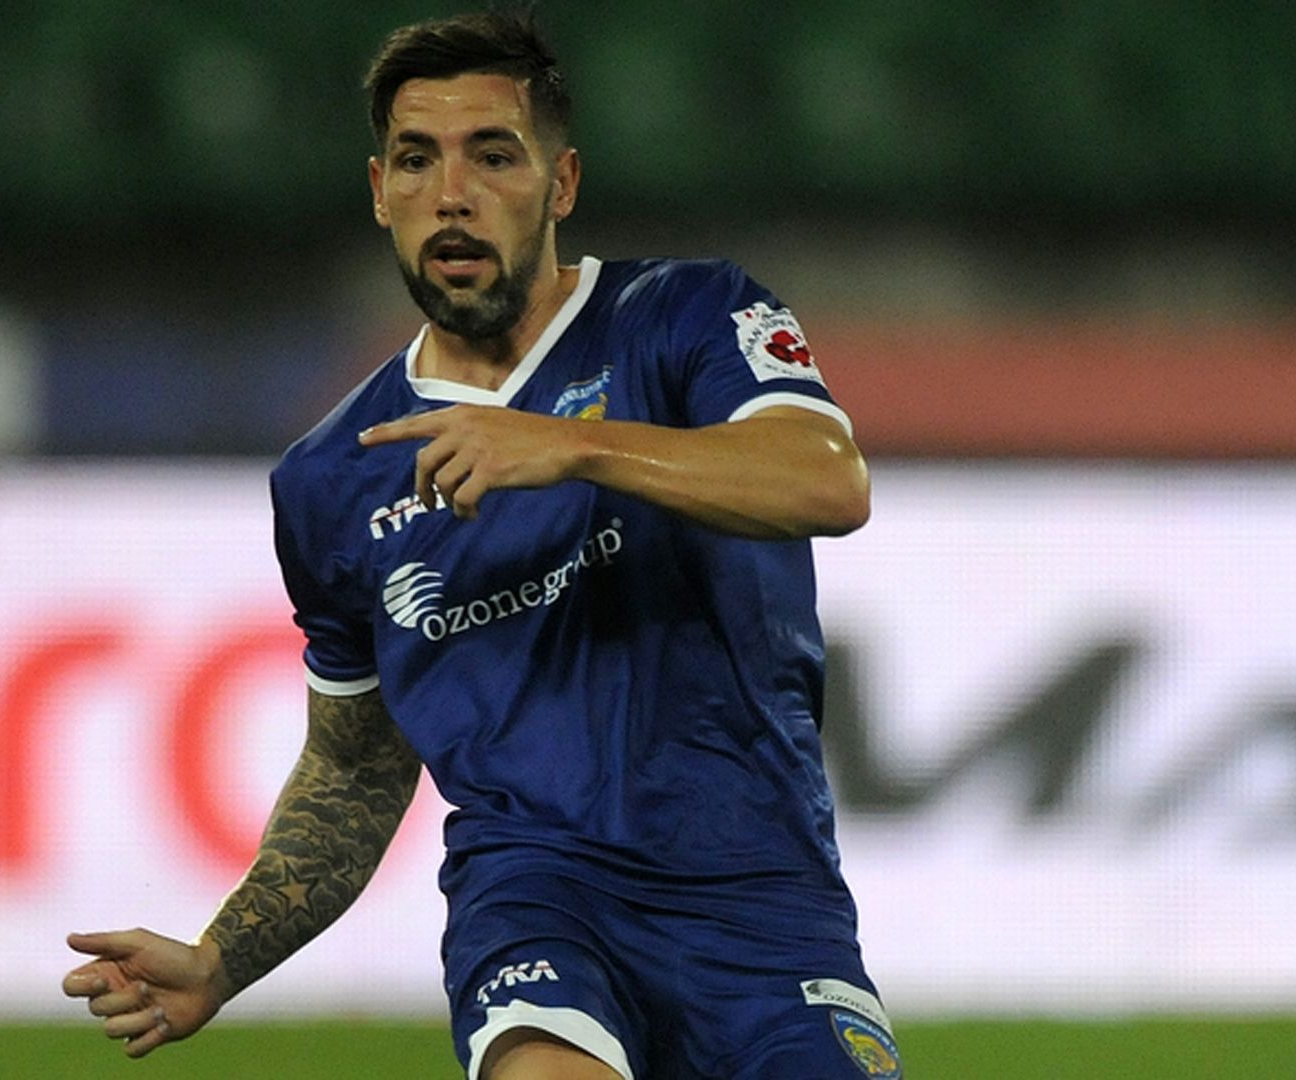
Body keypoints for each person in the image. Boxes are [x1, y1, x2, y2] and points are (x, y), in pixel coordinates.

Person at [62, 11, 898, 1079]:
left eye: (492, 154)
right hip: (537, 894)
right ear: (379, 193)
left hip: (762, 893)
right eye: (417, 160)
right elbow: (356, 764)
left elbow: (825, 479)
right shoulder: (330, 480)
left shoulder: (690, 316)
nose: (450, 193)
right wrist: (225, 958)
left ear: (561, 183)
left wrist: (571, 447)